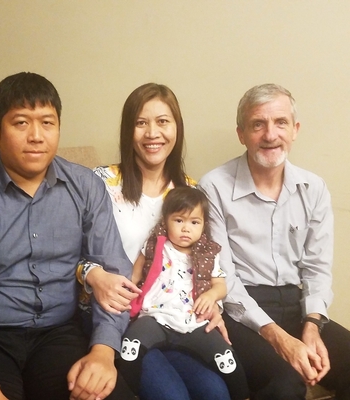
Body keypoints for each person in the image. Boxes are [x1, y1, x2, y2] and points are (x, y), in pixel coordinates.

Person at [0, 72, 136, 400]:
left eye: (47, 123)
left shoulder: (85, 187)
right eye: (21, 123)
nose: (36, 136)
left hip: (59, 333)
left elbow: (113, 274)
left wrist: (103, 352)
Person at [198, 83, 350, 399]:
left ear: (295, 130)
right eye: (258, 124)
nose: (270, 135)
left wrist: (312, 326)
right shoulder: (213, 186)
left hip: (297, 307)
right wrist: (279, 338)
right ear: (241, 133)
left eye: (280, 122)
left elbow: (317, 269)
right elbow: (224, 277)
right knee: (285, 384)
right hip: (241, 311)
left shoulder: (314, 188)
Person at [83, 83, 231, 400]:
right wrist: (94, 276)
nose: (153, 133)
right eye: (141, 122)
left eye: (163, 121)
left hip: (174, 319)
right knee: (171, 396)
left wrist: (212, 303)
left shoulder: (189, 191)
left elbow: (202, 260)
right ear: (128, 130)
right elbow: (71, 252)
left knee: (216, 392)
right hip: (116, 317)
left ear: (176, 128)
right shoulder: (101, 182)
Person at [116, 186, 249, 400]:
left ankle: (242, 395)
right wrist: (125, 298)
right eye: (179, 221)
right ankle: (132, 390)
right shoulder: (154, 246)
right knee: (130, 348)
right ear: (165, 220)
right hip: (155, 317)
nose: (186, 229)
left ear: (204, 225)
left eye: (194, 222)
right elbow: (134, 276)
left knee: (228, 361)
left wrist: (211, 296)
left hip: (193, 321)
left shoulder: (208, 254)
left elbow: (221, 285)